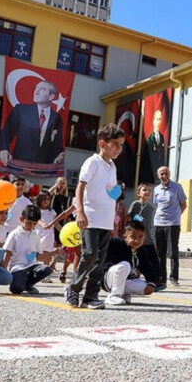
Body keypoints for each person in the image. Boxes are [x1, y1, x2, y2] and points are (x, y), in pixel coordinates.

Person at [66, 123, 124, 309]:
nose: (118, 148)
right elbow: (81, 187)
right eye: (115, 143)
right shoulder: (93, 162)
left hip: (106, 220)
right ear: (102, 143)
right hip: (90, 217)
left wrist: (116, 192)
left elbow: (109, 192)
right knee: (89, 254)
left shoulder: (112, 166)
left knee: (100, 260)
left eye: (121, 145)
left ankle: (91, 296)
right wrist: (80, 212)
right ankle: (73, 288)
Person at [0, 81, 64, 166]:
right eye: (36, 88)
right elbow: (6, 133)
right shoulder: (21, 111)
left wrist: (59, 155)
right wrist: (4, 149)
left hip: (42, 168)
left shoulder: (56, 117)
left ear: (51, 97)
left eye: (42, 89)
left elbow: (56, 144)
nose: (36, 91)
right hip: (19, 165)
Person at [2, 205, 60, 294]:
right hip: (18, 268)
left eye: (34, 224)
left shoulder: (35, 235)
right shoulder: (14, 234)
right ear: (21, 219)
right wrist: (4, 271)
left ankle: (28, 285)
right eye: (29, 223)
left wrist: (53, 253)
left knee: (46, 269)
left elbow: (38, 256)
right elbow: (7, 252)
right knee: (17, 290)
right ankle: (21, 283)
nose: (31, 226)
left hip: (31, 268)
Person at [101, 219, 158, 306]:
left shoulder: (141, 250)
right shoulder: (116, 243)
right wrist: (109, 231)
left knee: (146, 288)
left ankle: (123, 294)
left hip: (125, 280)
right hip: (109, 279)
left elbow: (148, 268)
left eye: (140, 237)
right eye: (133, 237)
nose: (137, 241)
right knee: (125, 265)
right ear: (125, 237)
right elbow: (102, 242)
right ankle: (113, 295)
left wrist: (151, 282)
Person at [153, 166, 187, 287]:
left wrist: (176, 215)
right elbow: (157, 205)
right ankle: (161, 278)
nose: (164, 176)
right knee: (160, 252)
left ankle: (174, 277)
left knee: (173, 252)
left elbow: (183, 204)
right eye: (161, 174)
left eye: (166, 173)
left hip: (173, 224)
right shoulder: (156, 189)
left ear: (170, 174)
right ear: (158, 176)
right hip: (158, 223)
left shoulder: (177, 187)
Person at [127, 183, 160, 291]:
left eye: (149, 191)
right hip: (136, 238)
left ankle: (155, 281)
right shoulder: (135, 204)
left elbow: (150, 223)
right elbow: (128, 218)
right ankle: (132, 277)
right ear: (138, 193)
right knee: (137, 259)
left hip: (148, 239)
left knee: (153, 259)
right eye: (144, 190)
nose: (147, 192)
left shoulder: (151, 208)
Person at [48, 176, 70, 270]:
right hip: (52, 219)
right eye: (60, 183)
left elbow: (67, 211)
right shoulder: (53, 195)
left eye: (63, 183)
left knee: (60, 243)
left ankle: (54, 263)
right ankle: (48, 262)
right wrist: (56, 185)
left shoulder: (67, 197)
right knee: (52, 242)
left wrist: (65, 224)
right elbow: (48, 192)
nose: (61, 185)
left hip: (61, 221)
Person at [145, 109, 167, 178]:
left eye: (160, 119)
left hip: (160, 170)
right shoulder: (149, 139)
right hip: (152, 169)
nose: (158, 122)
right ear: (153, 121)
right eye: (157, 119)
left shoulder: (161, 136)